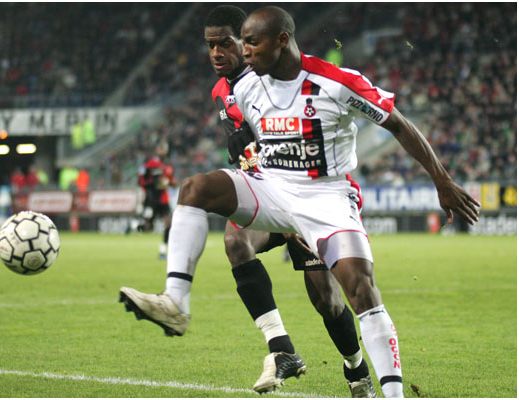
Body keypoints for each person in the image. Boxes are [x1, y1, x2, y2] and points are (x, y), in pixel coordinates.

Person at [123, 5, 480, 398]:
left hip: (325, 197)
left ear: (282, 40)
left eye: (249, 43)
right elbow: (257, 143)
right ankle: (187, 307)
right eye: (237, 44)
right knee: (202, 198)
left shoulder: (336, 83)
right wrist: (243, 145)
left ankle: (373, 380)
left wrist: (442, 181)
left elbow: (398, 123)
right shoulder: (243, 88)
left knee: (347, 294)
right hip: (273, 189)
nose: (243, 52)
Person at [121, 6, 375, 397]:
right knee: (235, 241)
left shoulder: (272, 78)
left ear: (246, 42)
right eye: (210, 45)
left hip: (309, 198)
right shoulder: (221, 91)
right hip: (267, 195)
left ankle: (357, 370)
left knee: (326, 300)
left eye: (225, 43)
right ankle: (281, 348)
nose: (217, 53)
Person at [138, 141, 177, 259]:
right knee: (148, 228)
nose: (162, 151)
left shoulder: (168, 166)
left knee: (168, 223)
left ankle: (162, 250)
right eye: (161, 149)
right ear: (157, 150)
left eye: (164, 149)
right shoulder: (151, 164)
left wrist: (171, 183)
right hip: (152, 199)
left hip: (163, 199)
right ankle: (134, 226)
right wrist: (153, 185)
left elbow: (171, 181)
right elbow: (141, 180)